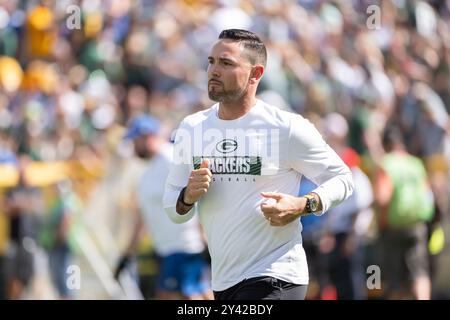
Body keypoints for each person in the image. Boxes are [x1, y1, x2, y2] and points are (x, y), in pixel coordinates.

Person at [163, 29, 354, 300]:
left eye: (226, 63)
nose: (213, 70)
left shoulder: (286, 127)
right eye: (211, 61)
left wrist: (303, 204)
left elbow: (343, 179)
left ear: (256, 74)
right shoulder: (191, 128)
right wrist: (187, 196)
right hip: (224, 280)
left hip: (277, 274)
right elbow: (172, 207)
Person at [115, 115, 212, 300]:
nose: (133, 147)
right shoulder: (146, 175)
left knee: (189, 295)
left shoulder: (171, 158)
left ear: (147, 136)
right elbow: (142, 217)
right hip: (166, 249)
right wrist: (127, 255)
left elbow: (196, 196)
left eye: (135, 141)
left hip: (185, 245)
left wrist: (205, 238)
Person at [374, 125, 434, 300]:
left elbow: (382, 198)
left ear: (385, 145)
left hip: (394, 226)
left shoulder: (385, 164)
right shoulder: (415, 163)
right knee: (420, 273)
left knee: (393, 279)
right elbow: (427, 194)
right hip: (417, 223)